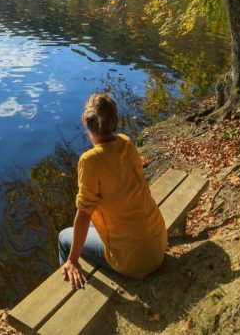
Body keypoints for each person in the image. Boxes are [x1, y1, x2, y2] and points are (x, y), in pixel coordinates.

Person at [58, 93, 167, 290]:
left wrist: (73, 260)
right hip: (158, 243)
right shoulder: (125, 142)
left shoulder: (89, 160)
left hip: (134, 260)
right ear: (115, 120)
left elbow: (83, 215)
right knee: (90, 225)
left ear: (84, 120)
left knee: (64, 238)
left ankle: (67, 291)